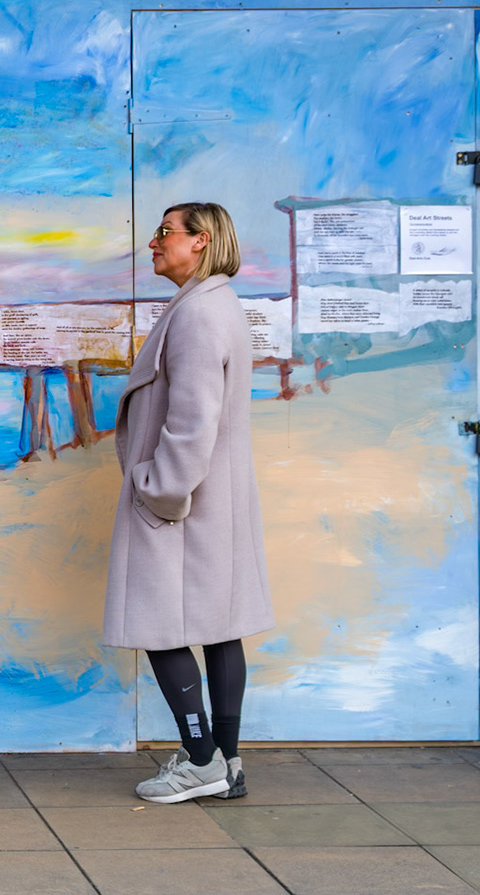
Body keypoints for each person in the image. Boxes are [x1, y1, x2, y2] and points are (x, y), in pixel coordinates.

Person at [105, 202, 274, 804]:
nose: (154, 241)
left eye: (165, 232)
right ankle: (225, 761)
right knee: (219, 624)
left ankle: (200, 760)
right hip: (216, 499)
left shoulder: (197, 315)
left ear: (200, 242)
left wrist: (159, 489)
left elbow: (192, 422)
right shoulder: (214, 304)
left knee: (162, 624)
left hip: (182, 500)